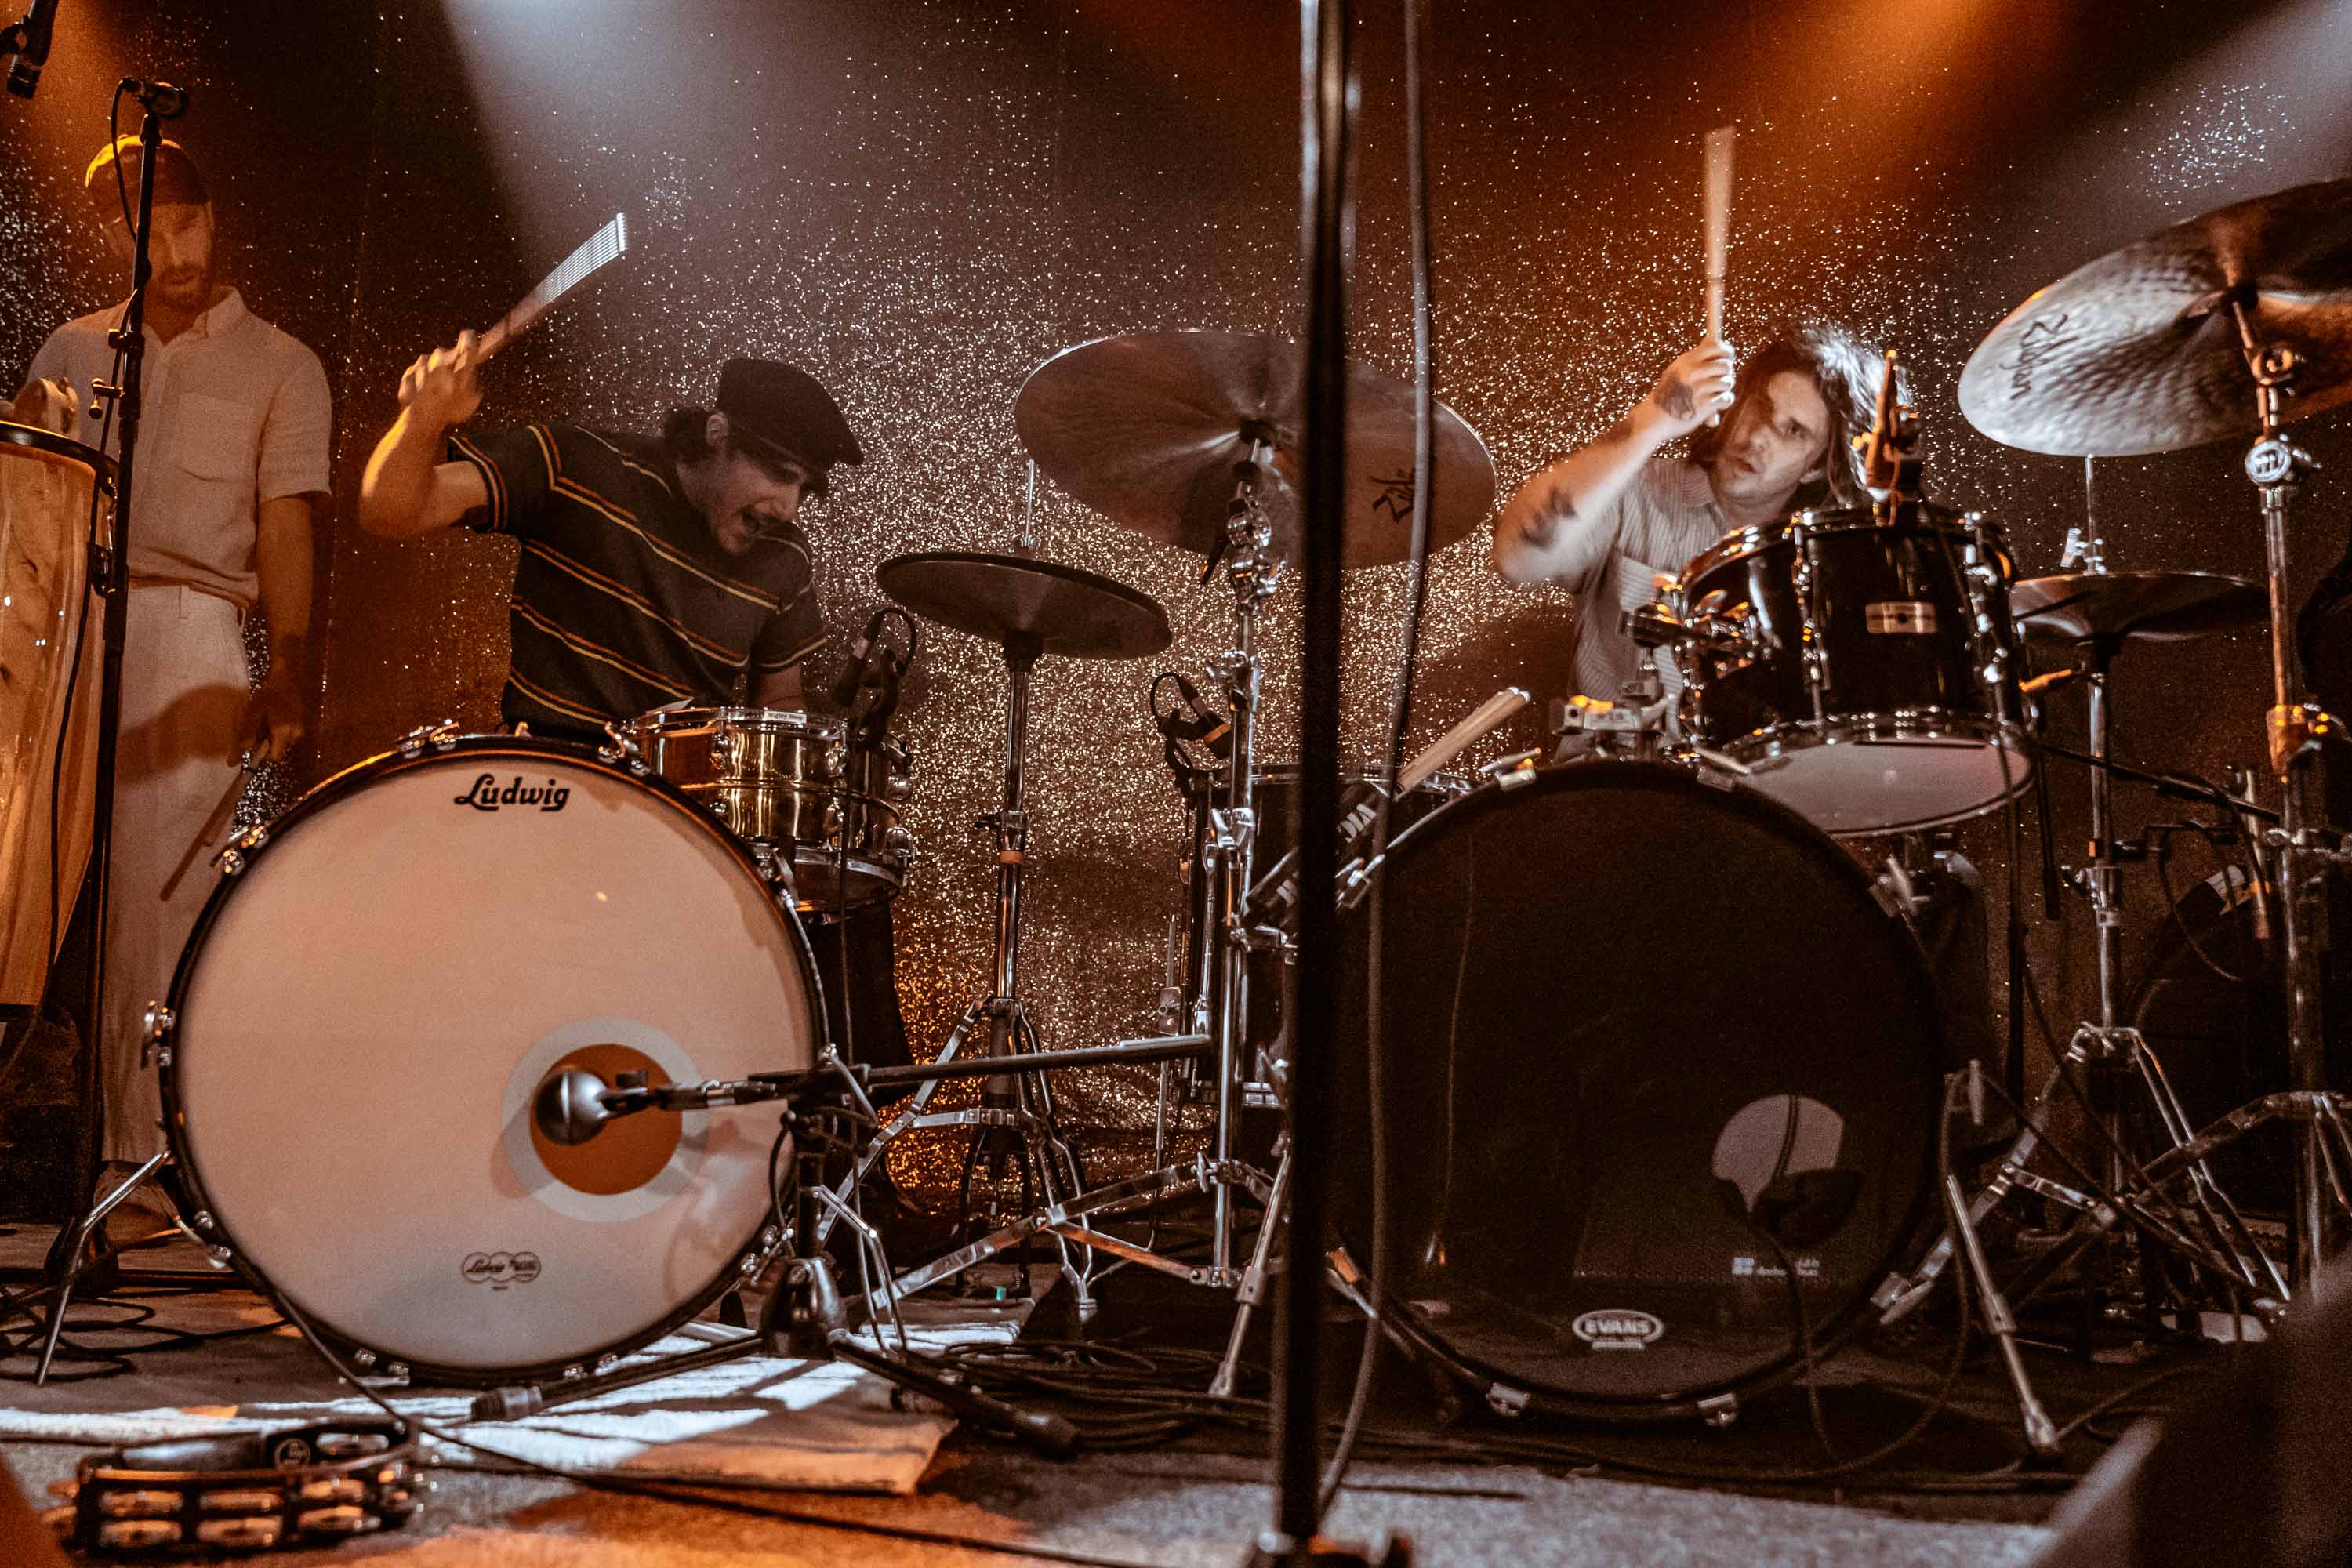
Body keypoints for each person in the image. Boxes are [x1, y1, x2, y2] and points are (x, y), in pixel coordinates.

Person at [20, 136, 329, 1181]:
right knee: (26, 891)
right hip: (63, 633)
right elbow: (23, 509)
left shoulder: (283, 364)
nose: (176, 247)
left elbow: (287, 525)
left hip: (191, 629)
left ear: (216, 215)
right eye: (148, 232)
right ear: (116, 237)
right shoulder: (74, 350)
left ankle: (138, 1165)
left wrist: (284, 664)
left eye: (188, 222)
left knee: (163, 907)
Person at [357, 336, 858, 736]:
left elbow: (777, 703)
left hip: (683, 815)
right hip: (545, 778)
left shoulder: (784, 556)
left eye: (804, 487)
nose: (789, 506)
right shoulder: (576, 465)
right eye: (779, 474)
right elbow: (389, 512)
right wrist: (422, 418)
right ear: (717, 435)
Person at [1492, 322, 1886, 715]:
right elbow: (1517, 557)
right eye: (1761, 408)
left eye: (1793, 432)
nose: (1757, 438)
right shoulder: (1636, 491)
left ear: (1817, 468)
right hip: (1616, 772)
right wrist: (1654, 417)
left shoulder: (1818, 563)